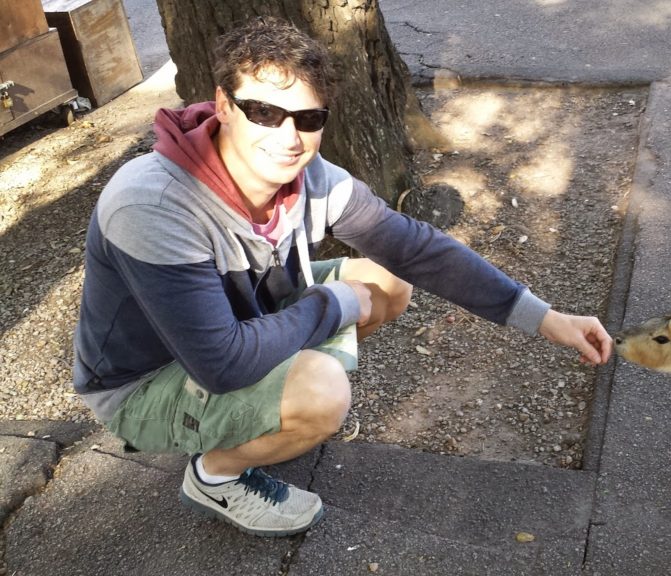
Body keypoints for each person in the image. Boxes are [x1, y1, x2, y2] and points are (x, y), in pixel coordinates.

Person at [72, 16, 612, 538]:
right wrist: (334, 304)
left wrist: (546, 319)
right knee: (322, 390)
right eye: (263, 111)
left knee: (386, 281)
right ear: (223, 106)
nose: (288, 137)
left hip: (242, 316)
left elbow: (415, 248)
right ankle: (215, 473)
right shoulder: (155, 203)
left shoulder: (310, 177)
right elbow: (221, 363)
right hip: (146, 380)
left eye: (307, 119)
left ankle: (267, 413)